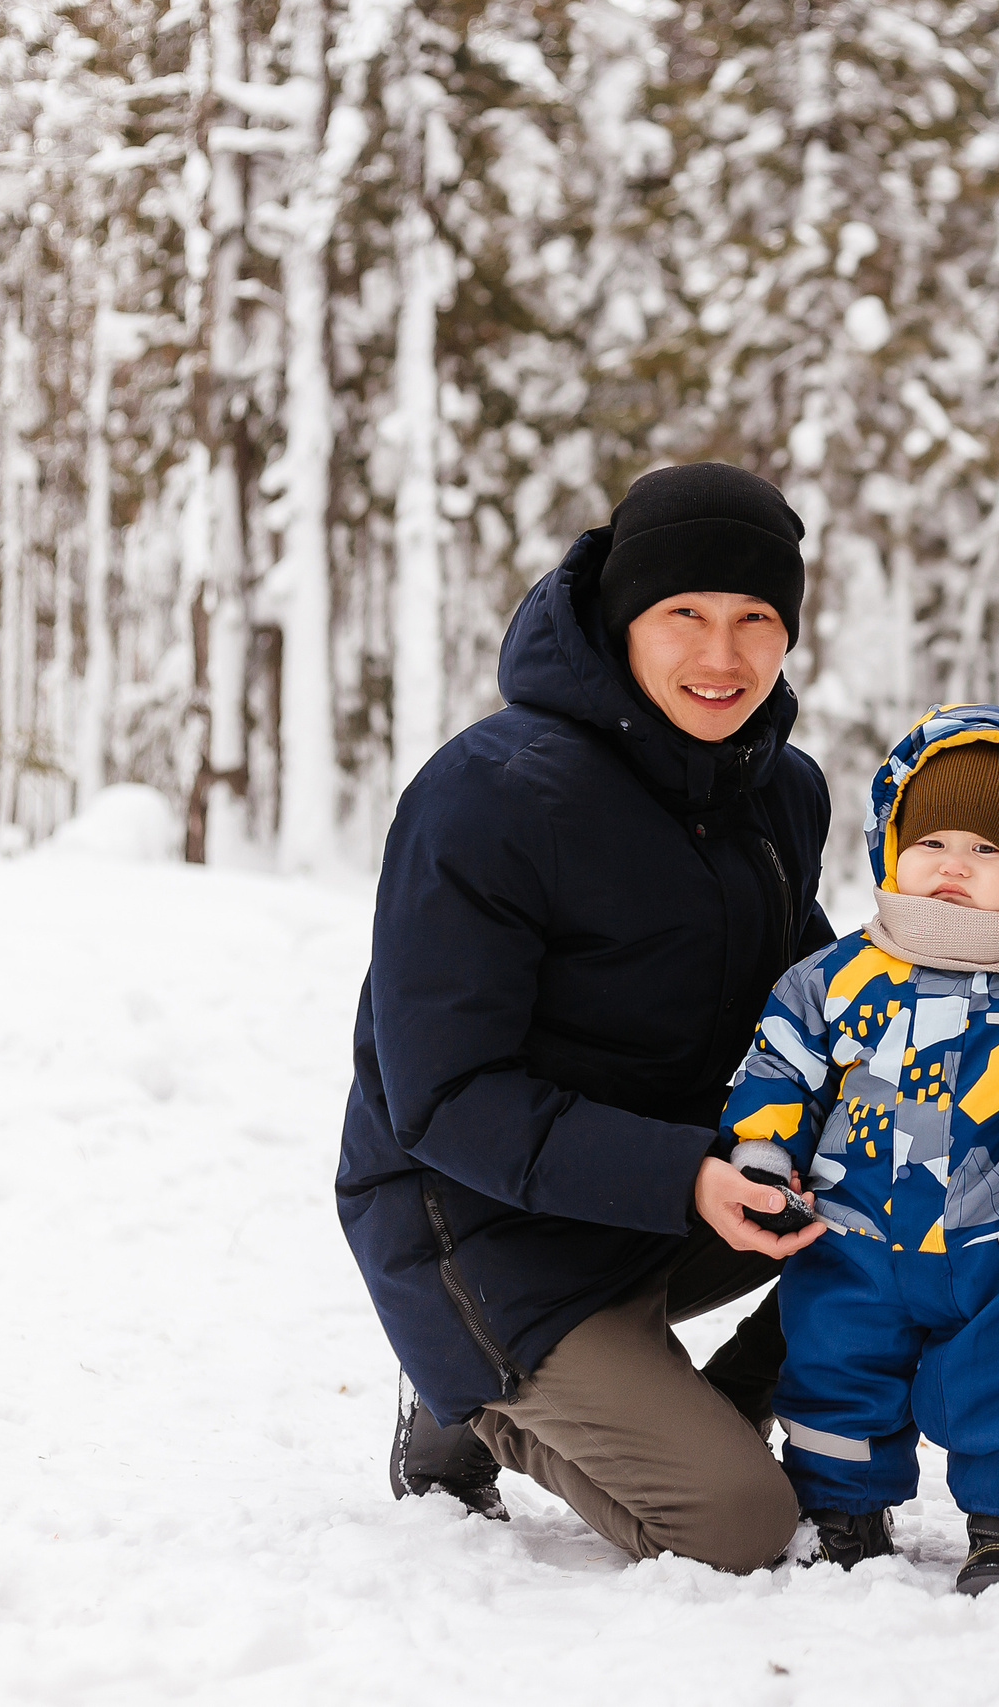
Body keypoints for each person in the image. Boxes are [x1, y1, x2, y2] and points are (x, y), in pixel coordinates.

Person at [335, 462, 839, 1574]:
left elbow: (814, 999)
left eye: (756, 618)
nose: (723, 657)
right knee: (739, 1526)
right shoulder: (491, 794)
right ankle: (471, 1386)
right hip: (475, 1222)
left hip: (652, 1192)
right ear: (621, 619)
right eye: (685, 614)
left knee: (913, 1170)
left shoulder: (781, 789)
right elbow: (445, 1098)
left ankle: (710, 1405)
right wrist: (688, 1176)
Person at [719, 705, 999, 1594]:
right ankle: (840, 1510)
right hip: (856, 1235)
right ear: (889, 845)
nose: (954, 864)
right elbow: (780, 1063)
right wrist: (763, 1148)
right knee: (837, 1363)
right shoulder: (838, 976)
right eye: (931, 841)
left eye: (988, 849)